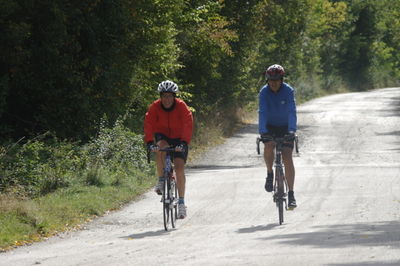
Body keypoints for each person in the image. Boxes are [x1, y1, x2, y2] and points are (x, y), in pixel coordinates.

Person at [144, 80, 194, 219]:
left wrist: (184, 142)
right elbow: (149, 123)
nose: (166, 99)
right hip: (163, 135)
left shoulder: (181, 106)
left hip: (179, 138)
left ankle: (182, 204)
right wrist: (149, 142)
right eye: (164, 96)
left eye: (169, 96)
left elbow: (188, 123)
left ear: (174, 96)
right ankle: (161, 179)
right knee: (160, 148)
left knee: (179, 168)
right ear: (160, 96)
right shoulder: (155, 107)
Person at [258, 64, 297, 208]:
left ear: (282, 79)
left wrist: (292, 130)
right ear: (267, 80)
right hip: (270, 126)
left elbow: (292, 111)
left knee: (287, 155)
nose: (273, 83)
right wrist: (263, 131)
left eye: (276, 80)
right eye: (270, 80)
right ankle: (269, 173)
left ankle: (291, 193)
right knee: (269, 146)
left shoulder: (288, 91)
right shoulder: (264, 92)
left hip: (286, 126)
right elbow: (262, 112)